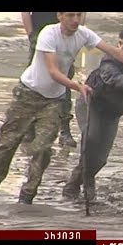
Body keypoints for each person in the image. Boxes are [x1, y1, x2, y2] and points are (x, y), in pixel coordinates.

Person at [0, 12, 123, 204]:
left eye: (79, 15)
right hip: (28, 95)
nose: (75, 20)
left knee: (44, 149)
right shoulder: (48, 33)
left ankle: (26, 199)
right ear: (60, 16)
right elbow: (53, 71)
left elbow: (116, 52)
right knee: (6, 146)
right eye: (70, 15)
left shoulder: (83, 34)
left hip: (53, 100)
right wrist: (77, 86)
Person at [62, 26, 123, 202]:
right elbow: (113, 79)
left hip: (112, 113)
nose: (121, 49)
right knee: (92, 140)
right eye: (119, 43)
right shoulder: (110, 58)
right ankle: (75, 185)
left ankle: (84, 178)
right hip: (91, 104)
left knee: (101, 158)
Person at [21, 12, 87, 148]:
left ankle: (65, 129)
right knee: (34, 82)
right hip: (39, 34)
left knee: (64, 81)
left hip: (64, 35)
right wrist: (31, 34)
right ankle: (30, 127)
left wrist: (77, 30)